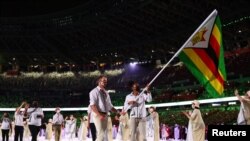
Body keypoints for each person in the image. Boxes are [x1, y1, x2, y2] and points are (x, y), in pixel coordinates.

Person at [89, 75, 119, 141]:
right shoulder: (94, 92)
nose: (105, 83)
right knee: (101, 133)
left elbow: (110, 106)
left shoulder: (106, 93)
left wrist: (118, 112)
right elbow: (92, 105)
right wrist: (99, 115)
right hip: (98, 115)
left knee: (102, 134)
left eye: (106, 81)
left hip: (105, 115)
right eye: (104, 81)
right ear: (99, 81)